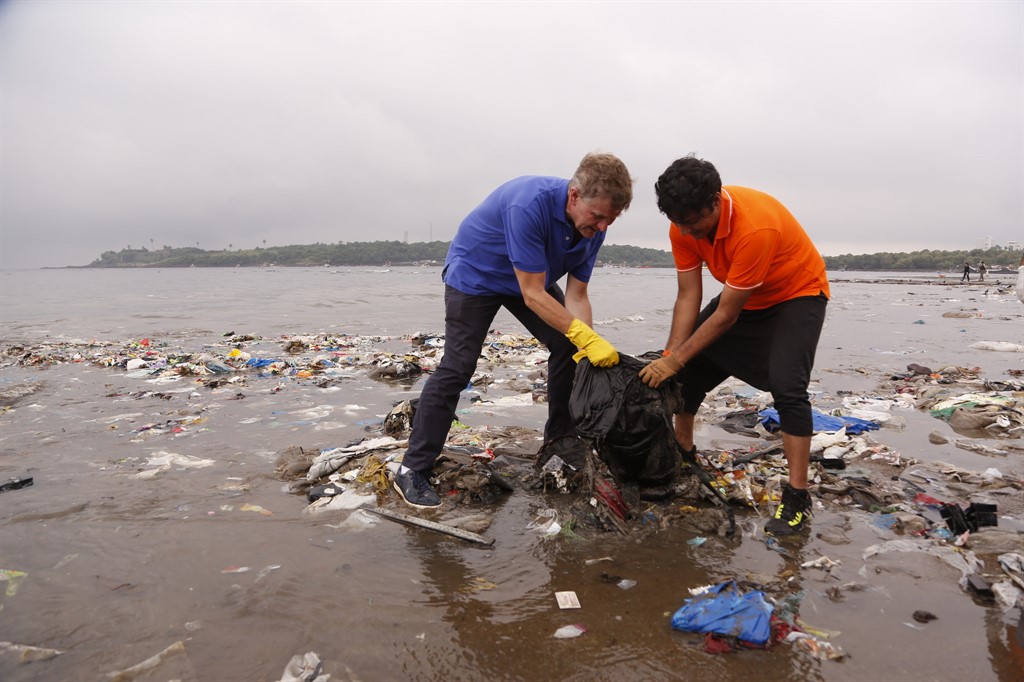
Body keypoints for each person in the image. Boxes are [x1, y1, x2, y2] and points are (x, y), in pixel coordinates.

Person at [394, 153, 634, 508]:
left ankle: (560, 442)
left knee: (570, 346)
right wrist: (585, 337)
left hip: (528, 280)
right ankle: (412, 469)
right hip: (476, 276)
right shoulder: (528, 204)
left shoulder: (593, 228)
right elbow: (534, 294)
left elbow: (577, 296)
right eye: (597, 216)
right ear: (574, 196)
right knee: (458, 367)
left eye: (609, 221)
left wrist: (588, 341)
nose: (601, 227)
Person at [638, 155, 829, 536]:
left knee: (787, 387)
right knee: (689, 368)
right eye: (678, 223)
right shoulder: (682, 227)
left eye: (693, 223)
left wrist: (675, 360)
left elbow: (725, 315)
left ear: (714, 202)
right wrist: (670, 356)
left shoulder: (754, 227)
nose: (687, 232)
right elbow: (688, 295)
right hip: (744, 298)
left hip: (796, 295)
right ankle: (684, 450)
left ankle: (797, 496)